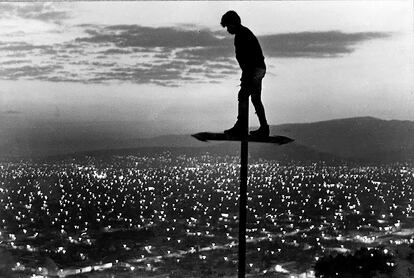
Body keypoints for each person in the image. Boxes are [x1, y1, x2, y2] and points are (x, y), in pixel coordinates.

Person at [221, 10, 269, 138]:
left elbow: (248, 59)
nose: (227, 30)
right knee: (254, 98)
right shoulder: (243, 34)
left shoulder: (243, 35)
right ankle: (262, 128)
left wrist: (246, 76)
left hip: (255, 70)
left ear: (233, 23)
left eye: (228, 26)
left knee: (244, 95)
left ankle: (242, 126)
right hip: (257, 69)